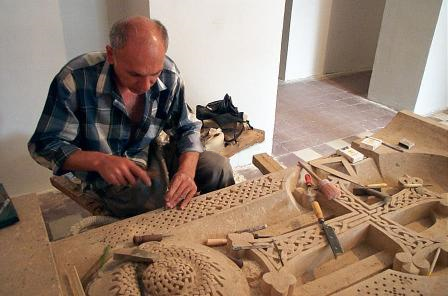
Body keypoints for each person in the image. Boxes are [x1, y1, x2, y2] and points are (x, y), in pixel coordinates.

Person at [28, 16, 235, 218]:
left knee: (218, 169)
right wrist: (100, 161)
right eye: (135, 75)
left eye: (154, 74)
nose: (145, 86)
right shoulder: (75, 79)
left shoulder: (169, 73)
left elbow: (187, 127)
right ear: (111, 54)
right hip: (103, 165)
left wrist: (186, 171)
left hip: (150, 151)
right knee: (146, 200)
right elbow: (44, 145)